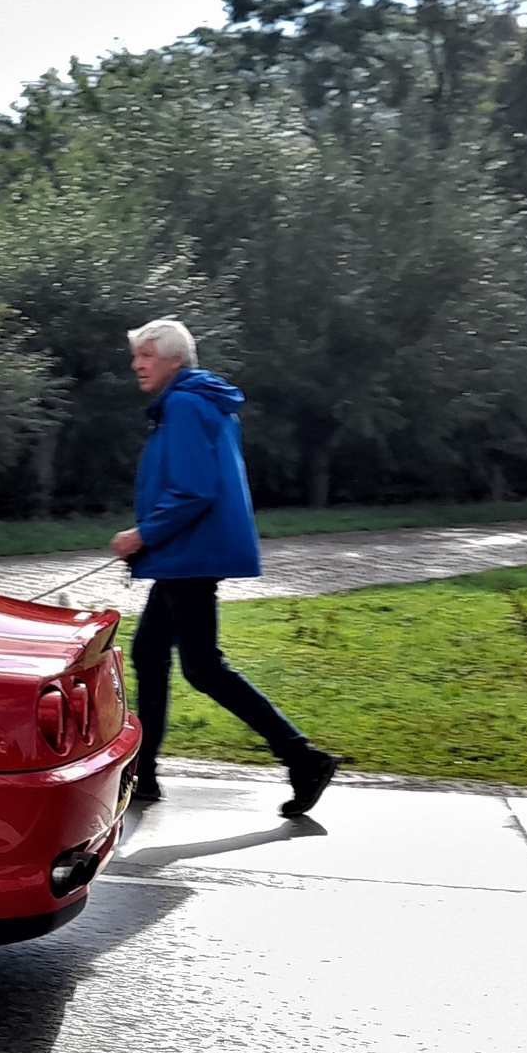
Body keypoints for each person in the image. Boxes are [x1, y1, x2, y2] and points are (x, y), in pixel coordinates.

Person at [112, 319, 339, 817]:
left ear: (173, 358)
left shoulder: (185, 404)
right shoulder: (199, 402)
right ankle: (142, 772)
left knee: (202, 667)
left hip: (189, 555)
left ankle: (303, 757)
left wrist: (141, 535)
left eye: (146, 355)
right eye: (137, 356)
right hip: (186, 555)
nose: (137, 364)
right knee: (149, 653)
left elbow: (193, 489)